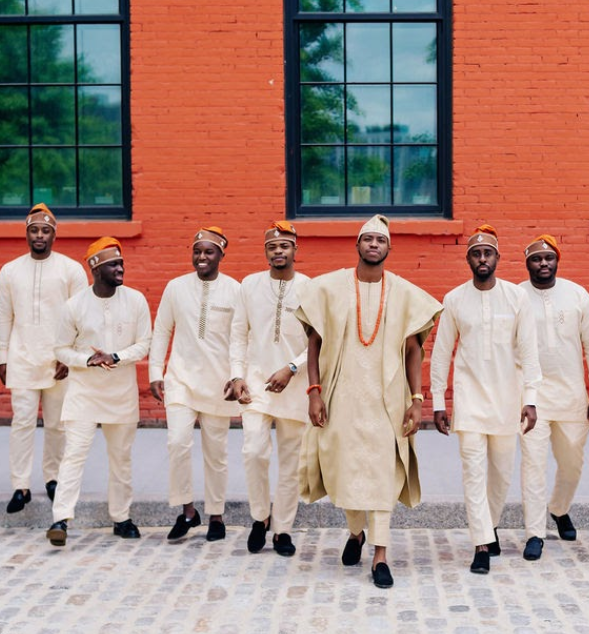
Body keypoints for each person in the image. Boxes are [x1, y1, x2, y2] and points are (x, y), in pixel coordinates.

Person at [296, 214, 441, 589]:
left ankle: (380, 553)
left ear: (389, 248)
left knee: (381, 474)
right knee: (346, 470)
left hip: (386, 402)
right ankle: (355, 532)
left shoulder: (405, 293)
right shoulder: (328, 288)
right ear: (357, 245)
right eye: (368, 239)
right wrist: (314, 392)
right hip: (341, 398)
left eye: (380, 240)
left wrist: (416, 398)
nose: (374, 244)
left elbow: (413, 350)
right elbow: (314, 343)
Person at [430, 225, 540, 572]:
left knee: (501, 474)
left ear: (497, 258)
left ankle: (488, 525)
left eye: (487, 253)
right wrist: (437, 402)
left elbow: (529, 350)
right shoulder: (454, 299)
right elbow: (441, 353)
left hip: (508, 398)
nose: (482, 259)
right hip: (469, 400)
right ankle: (480, 543)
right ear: (468, 259)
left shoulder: (516, 297)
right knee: (473, 473)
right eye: (476, 254)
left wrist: (531, 398)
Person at [46, 238, 151, 547]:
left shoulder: (136, 300)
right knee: (73, 455)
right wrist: (87, 360)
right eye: (113, 265)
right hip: (83, 392)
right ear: (95, 268)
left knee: (121, 458)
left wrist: (115, 357)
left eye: (121, 264)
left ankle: (121, 518)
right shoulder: (74, 305)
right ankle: (60, 519)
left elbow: (145, 342)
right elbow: (60, 348)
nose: (120, 269)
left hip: (121, 393)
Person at [149, 226, 240, 544]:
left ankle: (216, 515)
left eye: (209, 252)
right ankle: (187, 511)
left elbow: (241, 337)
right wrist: (155, 373)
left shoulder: (234, 290)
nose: (201, 257)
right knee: (177, 444)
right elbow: (161, 330)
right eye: (197, 251)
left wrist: (237, 375)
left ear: (221, 256)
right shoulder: (175, 287)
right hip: (180, 379)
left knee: (217, 453)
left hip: (219, 383)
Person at [0, 204, 86, 514]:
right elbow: (3, 316)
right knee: (21, 422)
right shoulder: (10, 270)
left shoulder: (71, 270)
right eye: (34, 230)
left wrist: (72, 357)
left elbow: (82, 317)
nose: (39, 235)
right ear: (26, 233)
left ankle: (53, 478)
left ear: (54, 235)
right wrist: (1, 356)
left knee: (57, 425)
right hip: (21, 357)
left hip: (58, 360)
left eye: (45, 230)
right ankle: (20, 485)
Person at [228, 221, 308, 557]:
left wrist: (292, 368)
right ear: (266, 252)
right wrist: (237, 375)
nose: (279, 252)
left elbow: (319, 341)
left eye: (284, 246)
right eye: (272, 247)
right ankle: (260, 517)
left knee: (291, 463)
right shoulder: (249, 285)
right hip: (256, 383)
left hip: (295, 384)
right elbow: (238, 333)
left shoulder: (310, 288)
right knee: (254, 452)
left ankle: (283, 530)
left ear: (294, 250)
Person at [518, 234, 589, 556]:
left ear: (557, 261)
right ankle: (534, 533)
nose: (543, 264)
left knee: (572, 464)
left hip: (572, 396)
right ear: (527, 263)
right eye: (536, 259)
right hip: (531, 397)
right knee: (533, 465)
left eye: (548, 258)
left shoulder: (577, 295)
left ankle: (559, 507)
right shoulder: (516, 296)